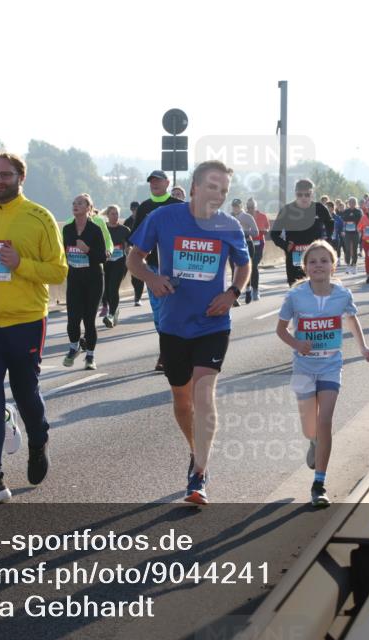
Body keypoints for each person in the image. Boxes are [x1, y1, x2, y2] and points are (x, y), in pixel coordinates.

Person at [126, 160, 250, 504]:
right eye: (212, 187)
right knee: (182, 400)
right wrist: (152, 278)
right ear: (195, 187)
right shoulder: (163, 218)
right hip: (173, 324)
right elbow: (135, 258)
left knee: (202, 394)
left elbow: (244, 264)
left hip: (213, 323)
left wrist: (232, 294)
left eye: (224, 190)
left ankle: (198, 474)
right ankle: (196, 451)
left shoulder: (229, 226)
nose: (219, 195)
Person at [0, 152, 68, 504]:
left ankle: (38, 440)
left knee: (25, 395)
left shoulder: (39, 217)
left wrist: (21, 264)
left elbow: (58, 271)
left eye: (6, 175)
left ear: (20, 178)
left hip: (24, 322)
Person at [275, 240, 369, 507]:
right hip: (304, 368)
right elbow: (281, 330)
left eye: (324, 260)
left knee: (325, 420)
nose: (318, 265)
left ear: (333, 265)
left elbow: (351, 320)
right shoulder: (295, 296)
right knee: (311, 426)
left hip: (330, 364)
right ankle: (313, 441)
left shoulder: (342, 295)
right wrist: (298, 344)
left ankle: (319, 483)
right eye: (313, 261)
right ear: (305, 267)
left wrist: (363, 348)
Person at [129, 170, 184, 372]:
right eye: (151, 181)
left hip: (178, 268)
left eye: (158, 181)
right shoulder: (145, 207)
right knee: (159, 313)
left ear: (167, 183)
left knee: (177, 311)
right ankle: (166, 352)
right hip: (153, 268)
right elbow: (135, 238)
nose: (154, 184)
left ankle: (175, 352)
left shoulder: (179, 207)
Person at [62, 194, 107, 370]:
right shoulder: (67, 229)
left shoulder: (95, 230)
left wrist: (87, 250)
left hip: (93, 279)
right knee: (72, 319)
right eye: (74, 203)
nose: (75, 205)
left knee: (89, 320)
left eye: (80, 203)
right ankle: (74, 346)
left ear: (89, 208)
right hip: (74, 279)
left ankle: (90, 356)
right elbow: (63, 252)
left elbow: (102, 257)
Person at [270, 179, 330, 287]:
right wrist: (285, 245)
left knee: (318, 292)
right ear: (295, 194)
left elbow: (330, 226)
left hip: (317, 258)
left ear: (312, 193)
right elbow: (274, 234)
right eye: (300, 194)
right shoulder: (286, 210)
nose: (303, 198)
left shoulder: (320, 209)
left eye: (307, 194)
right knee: (297, 292)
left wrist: (326, 244)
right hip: (295, 258)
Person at [101, 204, 131, 327]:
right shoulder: (102, 229)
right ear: (107, 215)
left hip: (120, 262)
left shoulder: (125, 230)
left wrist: (129, 251)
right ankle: (115, 310)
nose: (115, 216)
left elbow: (129, 245)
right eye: (112, 214)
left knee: (113, 288)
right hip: (105, 262)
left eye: (117, 213)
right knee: (106, 291)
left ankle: (111, 315)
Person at [245, 197, 268, 302]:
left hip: (259, 244)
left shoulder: (262, 216)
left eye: (252, 207)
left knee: (254, 265)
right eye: (248, 207)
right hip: (248, 243)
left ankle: (255, 290)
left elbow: (267, 227)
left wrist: (264, 231)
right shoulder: (243, 217)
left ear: (256, 207)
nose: (250, 209)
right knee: (246, 266)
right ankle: (248, 289)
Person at [341, 197, 362, 274]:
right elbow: (344, 219)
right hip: (347, 232)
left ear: (355, 203)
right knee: (347, 249)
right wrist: (351, 219)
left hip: (355, 233)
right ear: (348, 203)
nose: (352, 204)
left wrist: (351, 219)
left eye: (353, 202)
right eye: (350, 202)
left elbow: (358, 219)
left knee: (354, 249)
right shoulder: (346, 211)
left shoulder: (358, 211)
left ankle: (354, 265)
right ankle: (347, 265)